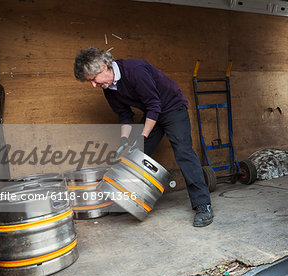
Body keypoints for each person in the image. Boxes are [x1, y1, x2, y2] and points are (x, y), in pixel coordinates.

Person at [74, 47, 213, 227]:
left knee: (183, 152)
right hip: (152, 112)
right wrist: (124, 141)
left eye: (93, 79)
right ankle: (128, 201)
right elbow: (124, 115)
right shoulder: (109, 88)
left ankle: (203, 205)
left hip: (172, 109)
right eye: (90, 81)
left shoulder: (135, 70)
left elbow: (155, 105)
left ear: (104, 66)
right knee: (136, 153)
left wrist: (143, 135)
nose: (93, 85)